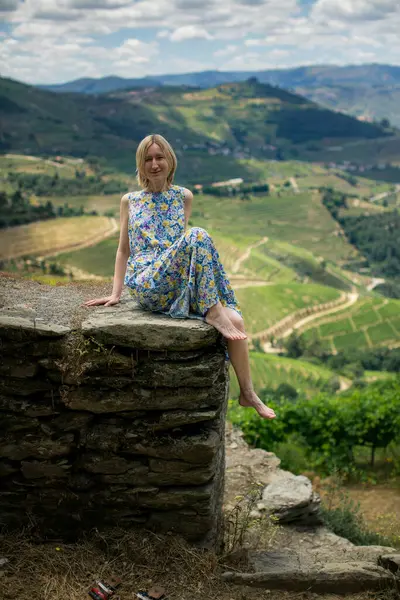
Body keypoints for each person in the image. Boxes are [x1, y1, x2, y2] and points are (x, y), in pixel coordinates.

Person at [83, 134, 276, 420]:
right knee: (198, 234)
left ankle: (247, 393)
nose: (154, 164)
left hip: (174, 280)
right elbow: (123, 250)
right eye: (148, 159)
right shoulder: (130, 201)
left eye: (160, 157)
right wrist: (116, 294)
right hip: (147, 282)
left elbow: (183, 252)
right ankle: (214, 310)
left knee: (236, 321)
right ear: (140, 164)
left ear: (170, 160)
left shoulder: (184, 197)